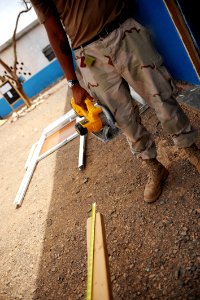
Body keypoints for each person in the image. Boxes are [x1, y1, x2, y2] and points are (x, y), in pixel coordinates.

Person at [31, 0, 199, 203]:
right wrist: (73, 83)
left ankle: (190, 148)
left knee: (160, 95)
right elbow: (55, 33)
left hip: (124, 32)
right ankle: (153, 167)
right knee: (122, 118)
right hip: (89, 56)